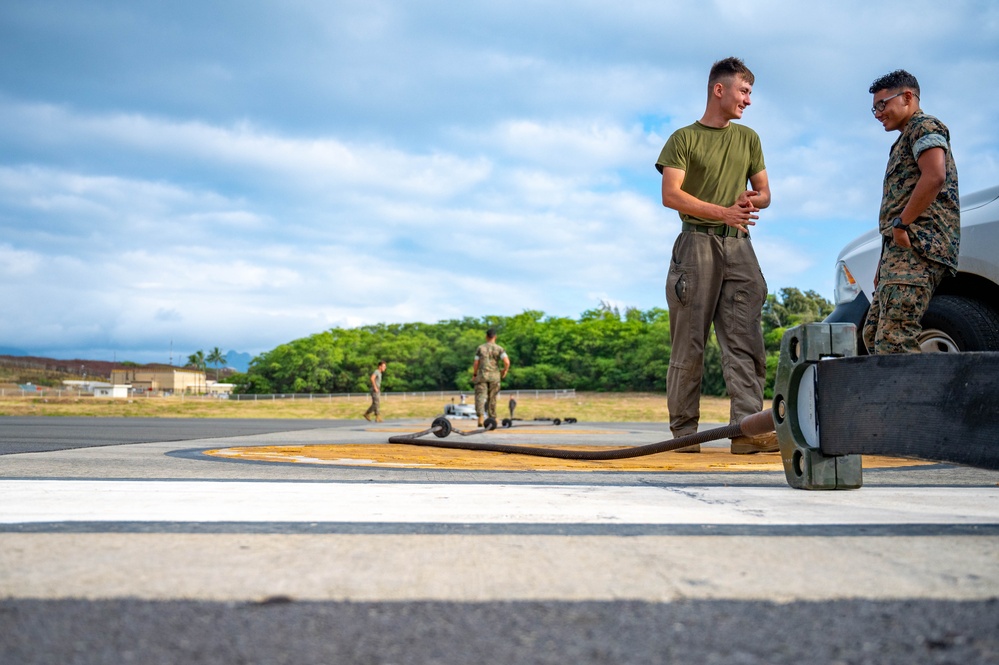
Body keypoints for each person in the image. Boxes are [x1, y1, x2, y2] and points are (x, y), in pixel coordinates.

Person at [655, 56, 777, 455]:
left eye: (750, 93)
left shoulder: (749, 139)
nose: (748, 100)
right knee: (689, 343)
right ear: (718, 90)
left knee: (745, 340)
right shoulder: (683, 138)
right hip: (696, 245)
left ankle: (746, 434)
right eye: (743, 91)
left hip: (739, 247)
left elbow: (765, 193)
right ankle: (685, 436)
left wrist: (749, 199)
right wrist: (722, 210)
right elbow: (671, 195)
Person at [863, 70, 960, 355]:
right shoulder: (904, 138)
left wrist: (902, 225)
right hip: (901, 250)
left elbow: (934, 176)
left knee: (894, 341)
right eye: (874, 108)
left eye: (882, 104)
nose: (878, 113)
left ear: (907, 97)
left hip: (920, 244)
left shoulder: (925, 126)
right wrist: (885, 260)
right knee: (873, 335)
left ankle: (923, 400)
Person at [472, 329, 510, 427]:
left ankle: (480, 417)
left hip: (482, 375)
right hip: (494, 376)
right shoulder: (499, 349)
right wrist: (505, 370)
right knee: (492, 397)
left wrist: (475, 374)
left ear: (486, 337)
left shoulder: (480, 348)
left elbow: (476, 363)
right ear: (495, 337)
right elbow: (507, 362)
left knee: (480, 396)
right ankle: (492, 417)